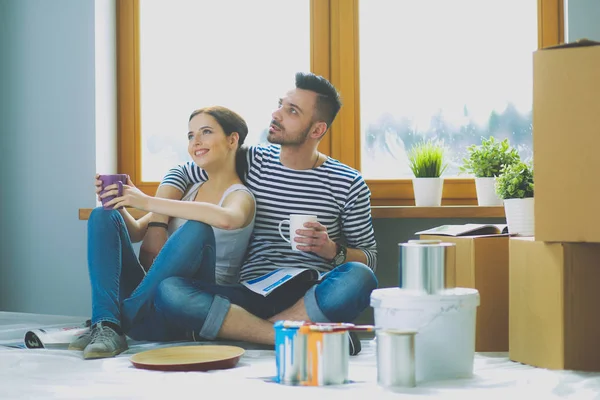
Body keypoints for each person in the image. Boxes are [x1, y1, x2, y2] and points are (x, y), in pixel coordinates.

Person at [152, 72, 378, 355]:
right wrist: (157, 223)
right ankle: (289, 336)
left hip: (310, 292)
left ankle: (245, 333)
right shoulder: (251, 160)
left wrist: (332, 250)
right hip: (249, 292)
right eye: (280, 105)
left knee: (360, 277)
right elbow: (182, 171)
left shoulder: (348, 182)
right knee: (169, 291)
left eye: (291, 111)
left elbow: (369, 257)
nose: (277, 114)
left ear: (316, 130)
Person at [72, 106, 256, 359]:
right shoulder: (191, 190)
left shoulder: (240, 195)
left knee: (197, 228)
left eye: (206, 132)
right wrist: (119, 201)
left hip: (183, 307)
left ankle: (110, 321)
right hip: (149, 305)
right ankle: (108, 323)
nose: (196, 142)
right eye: (191, 135)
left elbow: (227, 219)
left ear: (232, 139)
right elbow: (137, 232)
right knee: (102, 215)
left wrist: (146, 201)